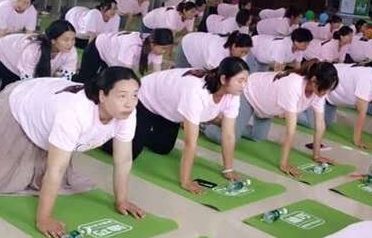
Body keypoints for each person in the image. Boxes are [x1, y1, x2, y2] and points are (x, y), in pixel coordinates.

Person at [0, 68, 145, 238]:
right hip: (21, 99)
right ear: (102, 95)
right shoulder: (74, 112)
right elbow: (56, 169)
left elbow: (123, 159)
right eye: (122, 96)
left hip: (49, 100)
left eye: (134, 95)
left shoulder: (127, 113)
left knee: (44, 169)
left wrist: (122, 200)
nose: (130, 103)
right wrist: (44, 218)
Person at [104, 57, 249, 193]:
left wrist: (228, 170)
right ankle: (103, 136)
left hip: (168, 109)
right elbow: (190, 142)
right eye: (240, 80)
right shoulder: (196, 91)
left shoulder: (233, 94)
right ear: (223, 79)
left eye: (246, 81)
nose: (244, 86)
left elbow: (228, 134)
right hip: (147, 98)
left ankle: (140, 131)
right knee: (132, 150)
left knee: (163, 148)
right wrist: (185, 180)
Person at [204, 61, 339, 178]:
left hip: (266, 107)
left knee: (258, 137)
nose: (325, 93)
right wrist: (284, 163)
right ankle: (204, 124)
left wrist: (317, 155)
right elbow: (290, 130)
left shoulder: (318, 92)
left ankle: (225, 122)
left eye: (329, 90)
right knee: (228, 138)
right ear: (314, 80)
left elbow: (320, 124)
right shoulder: (293, 85)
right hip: (250, 93)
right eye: (325, 89)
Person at [300, 55, 372, 149]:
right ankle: (293, 111)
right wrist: (357, 139)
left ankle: (301, 107)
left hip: (332, 99)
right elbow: (361, 111)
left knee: (327, 123)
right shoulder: (368, 77)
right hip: (322, 90)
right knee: (313, 124)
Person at [0, 20, 77, 100]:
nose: (70, 44)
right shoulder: (33, 50)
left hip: (21, 62)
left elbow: (66, 79)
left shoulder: (71, 52)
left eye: (73, 39)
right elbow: (27, 81)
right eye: (66, 40)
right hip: (4, 51)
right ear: (53, 40)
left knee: (10, 94)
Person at [76, 29, 173, 83]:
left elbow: (157, 75)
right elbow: (125, 73)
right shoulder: (131, 44)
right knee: (85, 79)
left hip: (113, 57)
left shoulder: (156, 48)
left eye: (167, 49)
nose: (164, 52)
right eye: (163, 48)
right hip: (98, 47)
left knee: (103, 82)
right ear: (152, 44)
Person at [177, 31, 252, 69]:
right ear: (234, 46)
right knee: (181, 75)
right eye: (242, 52)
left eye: (246, 52)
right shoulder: (218, 52)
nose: (243, 55)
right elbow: (216, 74)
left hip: (201, 45)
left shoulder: (238, 49)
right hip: (188, 45)